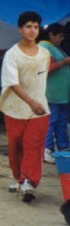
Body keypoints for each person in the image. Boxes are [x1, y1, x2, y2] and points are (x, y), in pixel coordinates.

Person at [0, 11, 50, 203]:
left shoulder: (45, 54)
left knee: (33, 145)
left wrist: (39, 102)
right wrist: (31, 102)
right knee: (16, 146)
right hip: (15, 108)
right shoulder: (12, 55)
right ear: (20, 29)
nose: (32, 30)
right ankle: (18, 177)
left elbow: (42, 78)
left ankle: (29, 181)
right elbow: (13, 83)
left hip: (40, 110)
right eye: (28, 26)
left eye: (36, 27)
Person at [37, 23, 70, 163]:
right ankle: (47, 149)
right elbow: (45, 69)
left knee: (61, 122)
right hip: (52, 93)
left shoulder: (55, 48)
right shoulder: (45, 48)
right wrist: (63, 62)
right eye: (60, 36)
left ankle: (63, 149)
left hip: (62, 94)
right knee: (51, 122)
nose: (62, 39)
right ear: (51, 35)